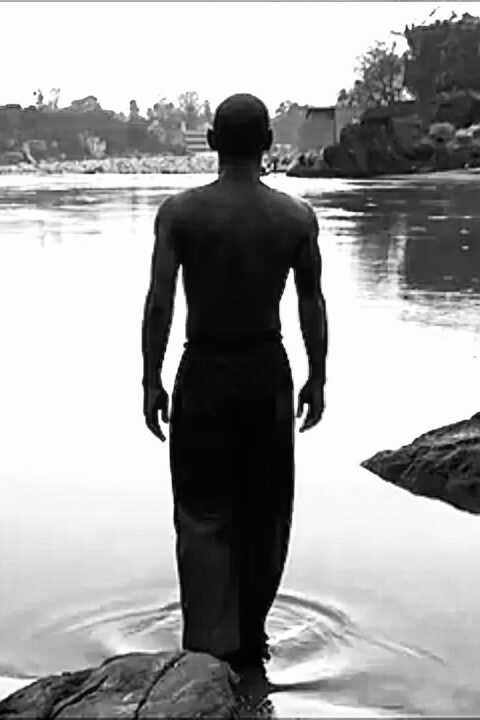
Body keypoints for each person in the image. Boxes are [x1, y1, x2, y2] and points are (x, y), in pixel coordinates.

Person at [142, 93, 328, 671]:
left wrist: (150, 380)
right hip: (267, 374)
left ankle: (206, 651)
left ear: (211, 141)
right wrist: (318, 377)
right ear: (268, 143)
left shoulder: (181, 213)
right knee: (264, 511)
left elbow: (160, 302)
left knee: (202, 513)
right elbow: (312, 302)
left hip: (204, 371)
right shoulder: (296, 217)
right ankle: (250, 641)